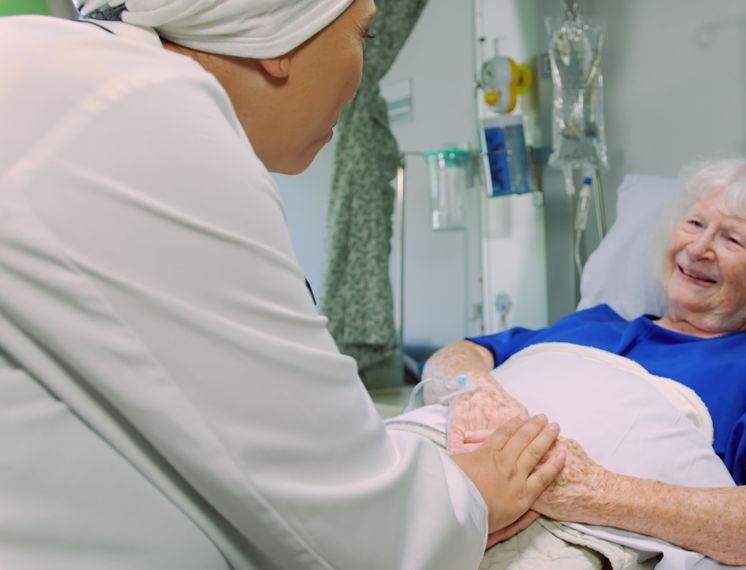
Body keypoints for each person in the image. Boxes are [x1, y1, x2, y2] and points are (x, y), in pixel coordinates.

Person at [0, 1, 564, 568]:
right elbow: (357, 533)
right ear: (280, 35)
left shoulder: (66, 74)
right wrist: (463, 498)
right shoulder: (149, 114)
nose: (361, 66)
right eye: (364, 32)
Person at [422, 159, 746, 566]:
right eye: (695, 223)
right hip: (431, 463)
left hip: (564, 530)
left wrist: (590, 491)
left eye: (732, 238)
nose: (699, 248)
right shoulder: (593, 323)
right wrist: (475, 389)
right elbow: (456, 355)